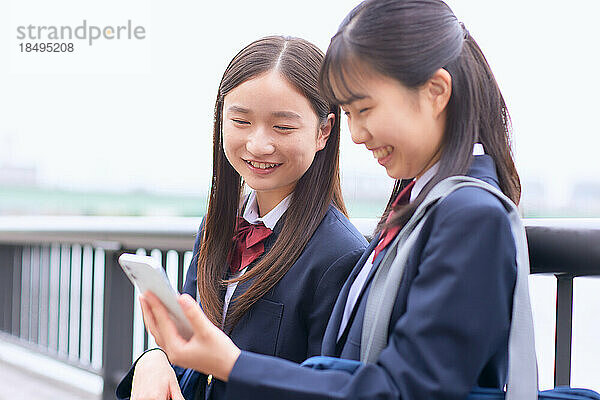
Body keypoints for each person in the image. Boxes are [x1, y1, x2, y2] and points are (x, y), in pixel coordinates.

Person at [138, 0, 523, 398]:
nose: (356, 135)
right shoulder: (427, 206)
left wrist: (232, 364)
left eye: (366, 108)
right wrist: (156, 358)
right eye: (351, 113)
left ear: (436, 92)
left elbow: (409, 388)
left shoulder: (470, 215)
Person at [116, 35, 367, 400]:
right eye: (240, 120)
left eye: (282, 127)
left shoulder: (339, 255)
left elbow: (327, 390)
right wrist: (155, 358)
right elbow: (189, 350)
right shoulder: (218, 227)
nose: (258, 144)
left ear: (324, 131)